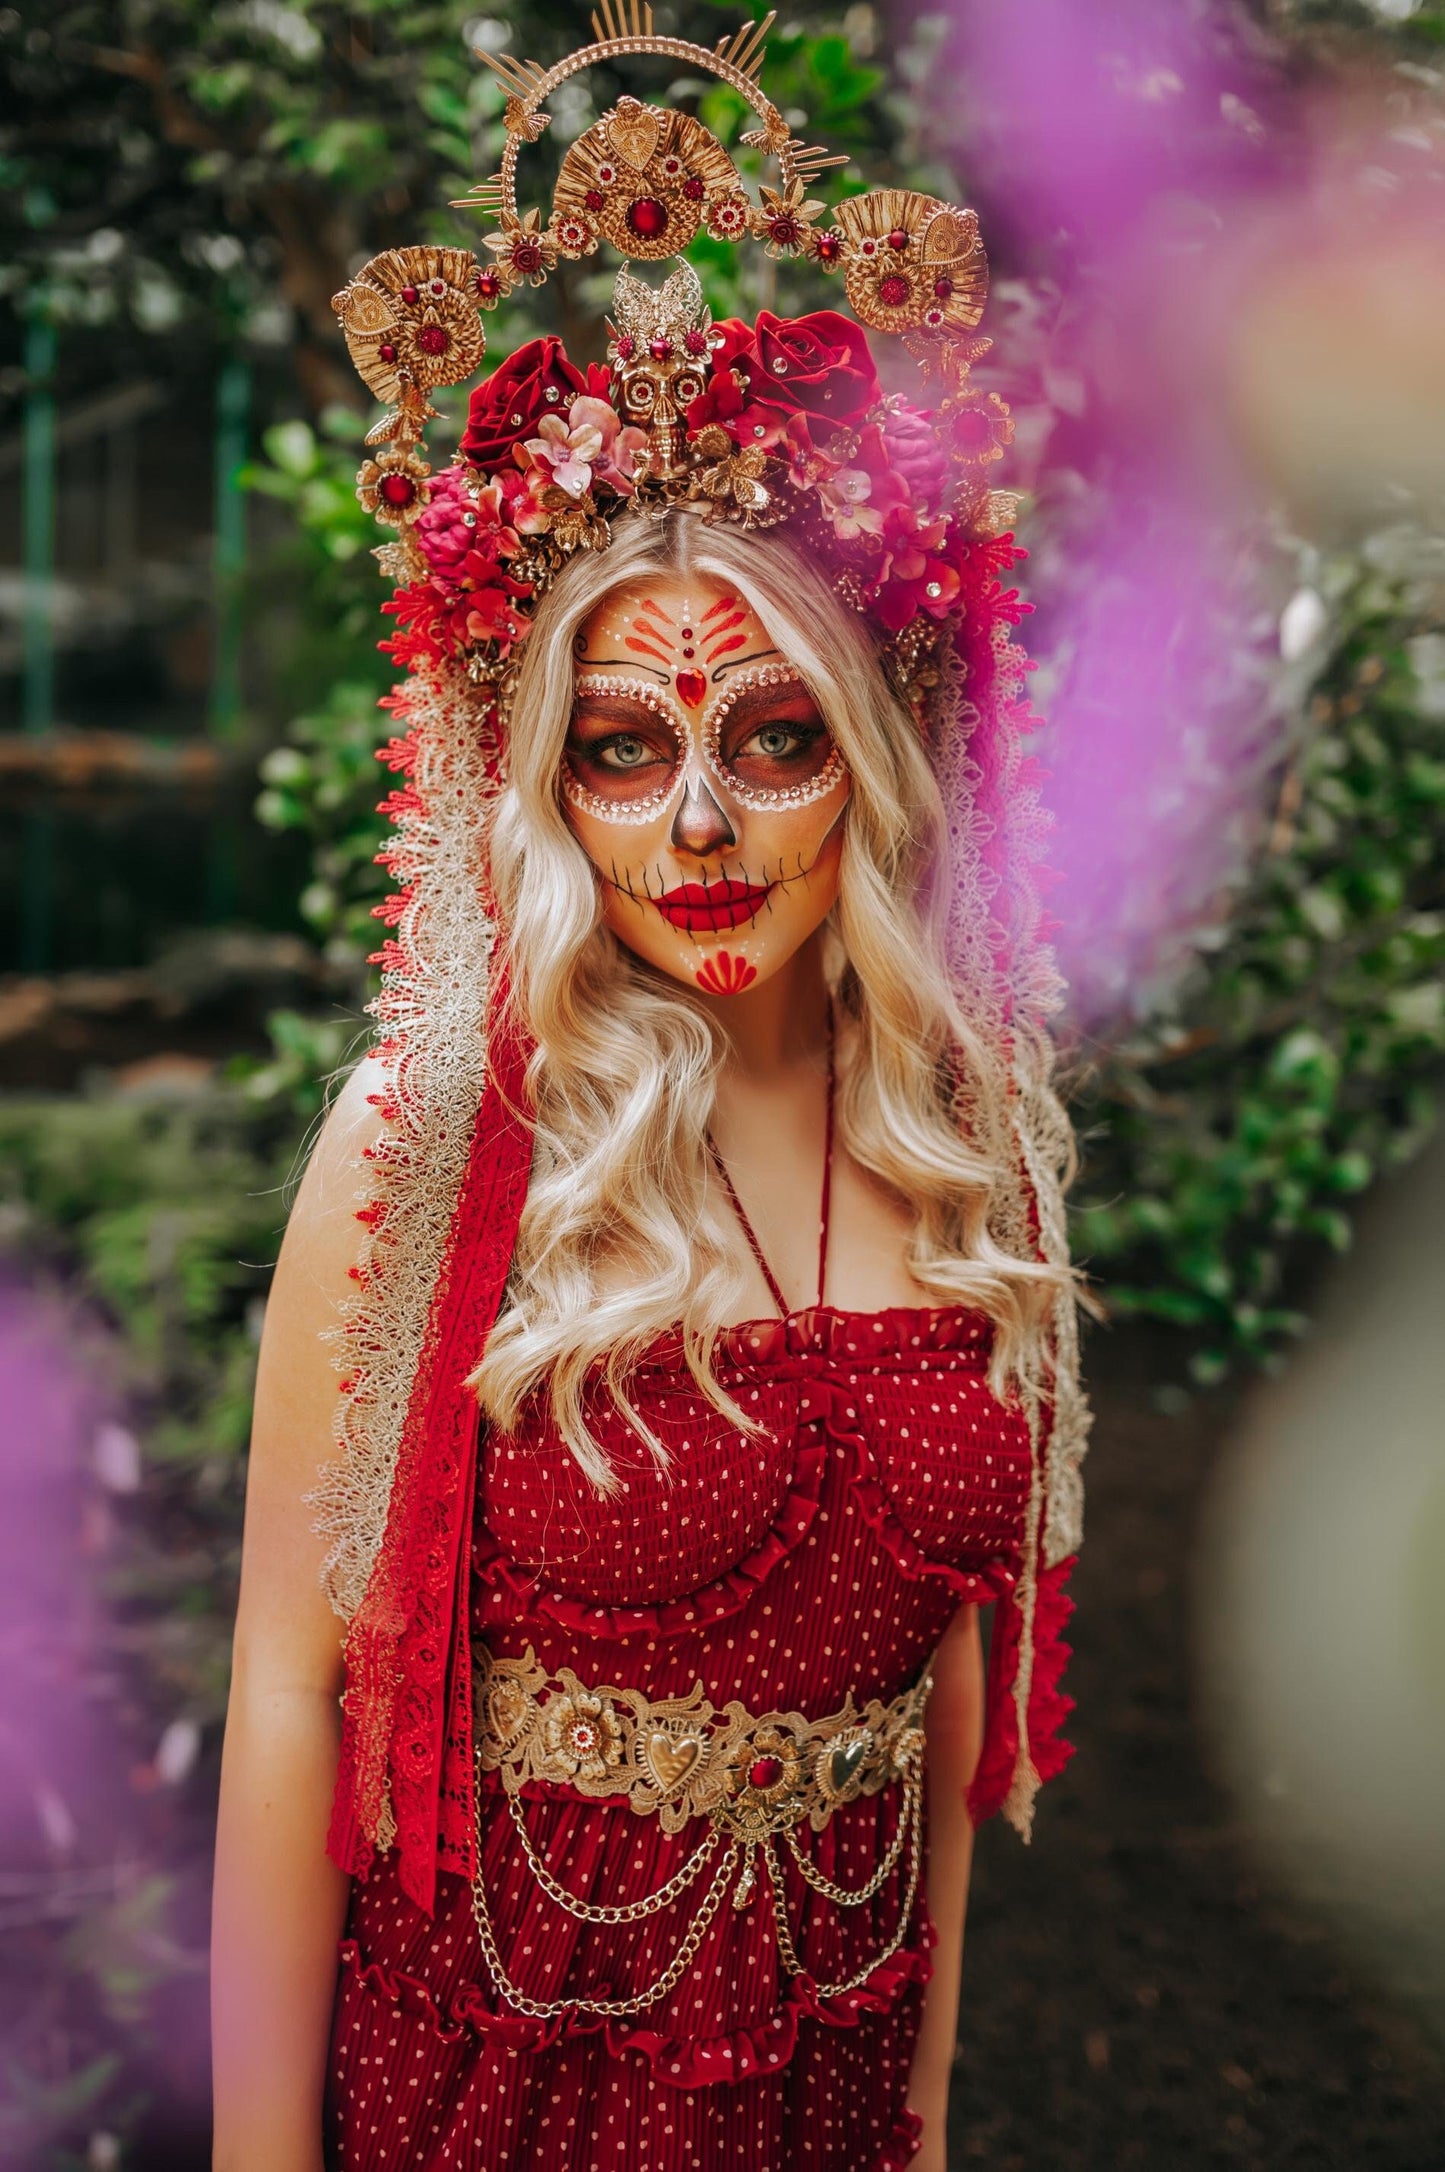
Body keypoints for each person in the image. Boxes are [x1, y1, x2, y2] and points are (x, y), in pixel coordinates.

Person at [211, 23, 1089, 2172]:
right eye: (623, 747)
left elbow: (938, 1707)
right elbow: (285, 1693)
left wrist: (931, 2111)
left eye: (774, 736)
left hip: (826, 2063)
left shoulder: (971, 1150)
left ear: (872, 771)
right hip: (503, 2061)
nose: (696, 820)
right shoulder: (427, 1146)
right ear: (551, 788)